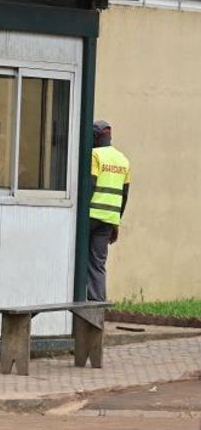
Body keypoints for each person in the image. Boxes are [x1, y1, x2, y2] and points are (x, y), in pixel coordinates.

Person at [88, 119, 131, 302]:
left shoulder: (95, 155)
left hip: (90, 216)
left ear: (96, 137)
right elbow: (124, 195)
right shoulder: (123, 160)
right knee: (98, 264)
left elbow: (90, 185)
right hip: (108, 220)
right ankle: (97, 307)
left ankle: (77, 303)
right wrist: (116, 223)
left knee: (76, 257)